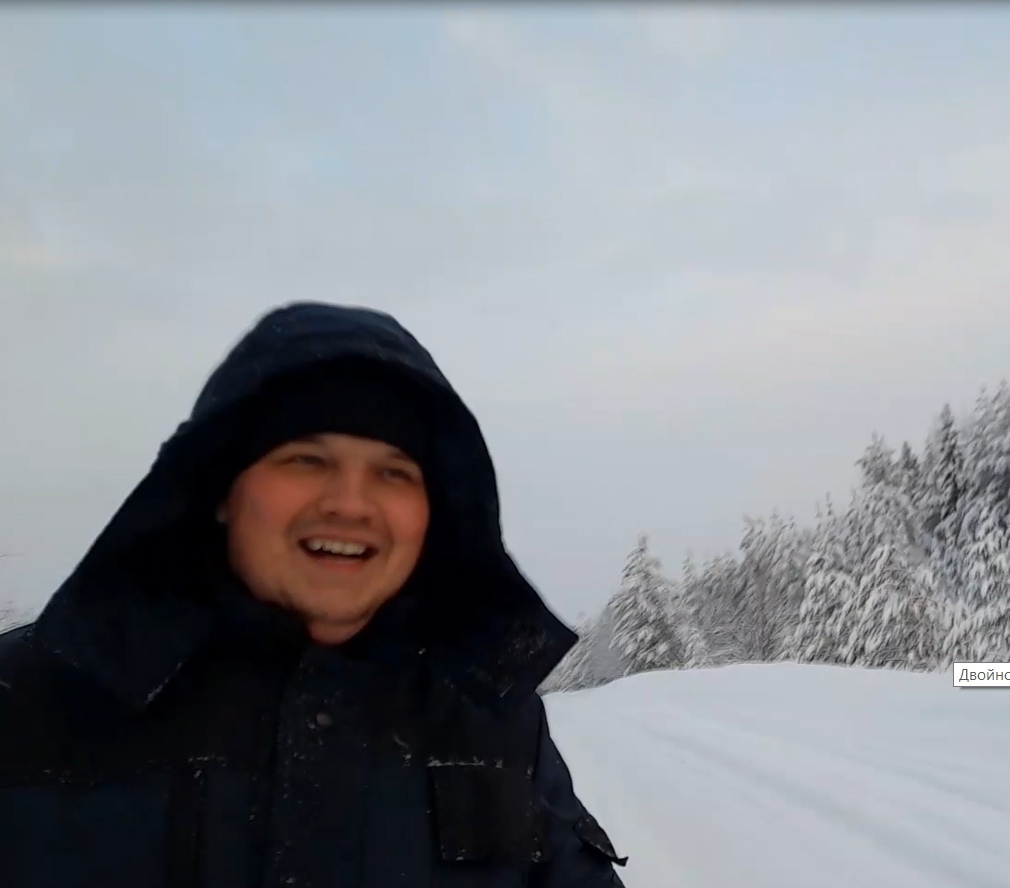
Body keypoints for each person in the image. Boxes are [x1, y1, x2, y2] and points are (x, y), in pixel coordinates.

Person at [0, 302, 628, 888]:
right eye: (306, 460)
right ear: (220, 489)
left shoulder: (491, 718)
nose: (351, 504)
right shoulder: (28, 703)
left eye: (394, 472)